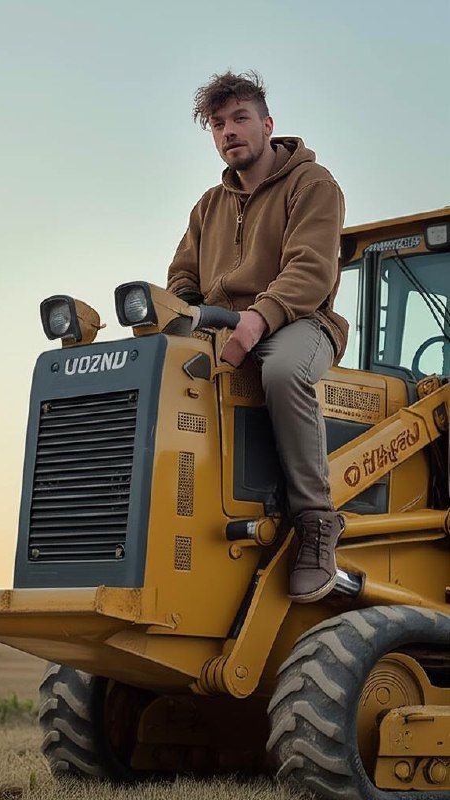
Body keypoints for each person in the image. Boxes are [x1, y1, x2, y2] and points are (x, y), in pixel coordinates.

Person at [166, 71, 349, 603]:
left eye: (240, 118)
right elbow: (182, 277)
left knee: (282, 370)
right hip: (223, 329)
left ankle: (316, 521)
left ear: (267, 124)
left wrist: (258, 317)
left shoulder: (314, 185)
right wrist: (194, 315)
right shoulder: (207, 206)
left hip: (301, 322)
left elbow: (311, 271)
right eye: (218, 125)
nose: (228, 132)